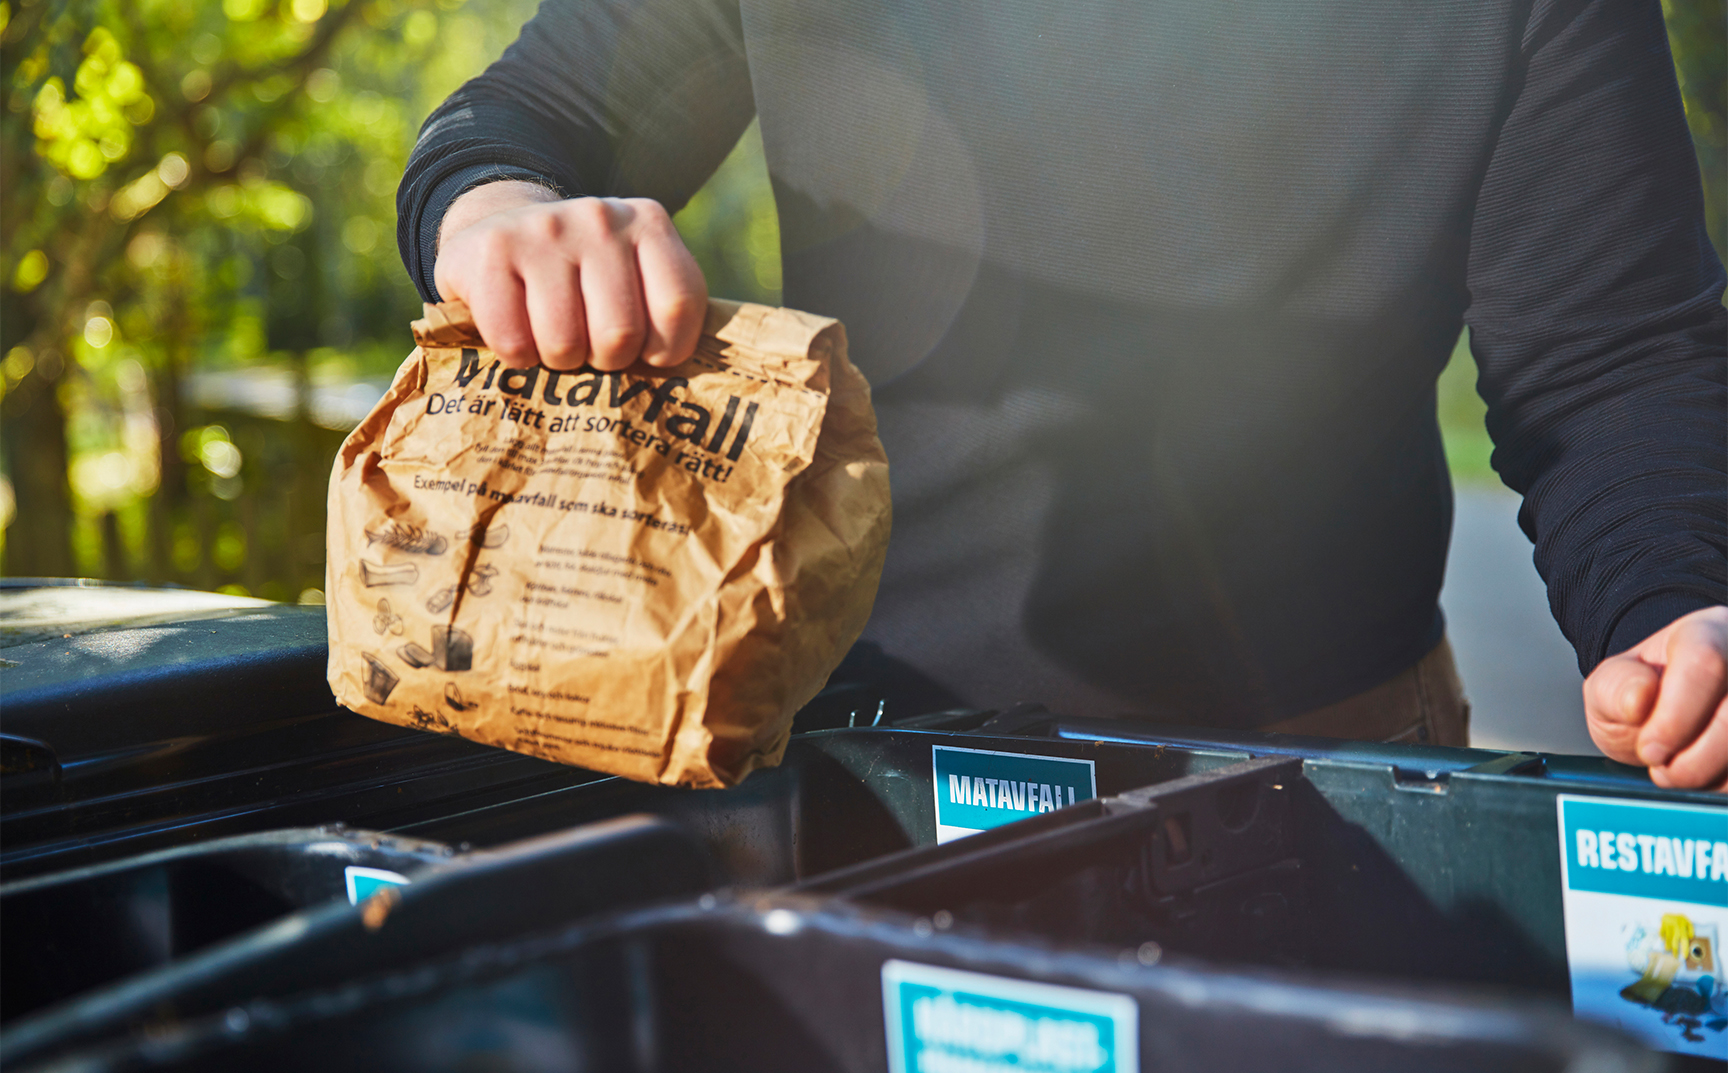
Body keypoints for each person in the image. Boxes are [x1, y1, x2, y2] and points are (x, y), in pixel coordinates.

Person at [397, 0, 1727, 787]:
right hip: (865, 749)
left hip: (1329, 759)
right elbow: (529, 117)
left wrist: (1679, 600)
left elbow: (1614, 356)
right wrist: (501, 214)